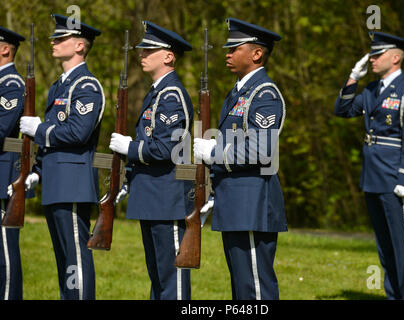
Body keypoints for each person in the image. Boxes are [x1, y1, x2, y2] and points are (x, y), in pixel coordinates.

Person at [194, 18, 287, 300]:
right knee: (241, 286)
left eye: (235, 47)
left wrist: (212, 153)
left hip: (252, 201)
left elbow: (261, 150)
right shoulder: (238, 92)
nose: (227, 53)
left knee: (255, 287)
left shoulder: (264, 93)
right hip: (234, 198)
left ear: (257, 54)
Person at [334, 31, 404, 300]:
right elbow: (343, 111)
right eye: (371, 54)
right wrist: (353, 78)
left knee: (403, 246)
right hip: (373, 177)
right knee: (385, 248)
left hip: (395, 177)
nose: (371, 59)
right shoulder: (373, 90)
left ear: (396, 57)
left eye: (378, 54)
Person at [19, 14, 104, 300]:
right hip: (56, 182)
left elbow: (77, 133)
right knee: (63, 257)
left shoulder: (87, 87)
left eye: (61, 38)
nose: (53, 42)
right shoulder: (59, 86)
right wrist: (38, 171)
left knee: (75, 255)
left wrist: (39, 129)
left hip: (72, 183)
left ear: (80, 45)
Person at [110, 21, 194, 300]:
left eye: (149, 50)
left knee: (172, 279)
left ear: (168, 56)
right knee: (157, 278)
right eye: (142, 50)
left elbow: (166, 149)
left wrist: (130, 148)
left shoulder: (172, 95)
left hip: (166, 197)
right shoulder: (158, 92)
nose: (141, 54)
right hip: (151, 194)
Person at [0, 26, 26, 300]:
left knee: (4, 256)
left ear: (5, 49)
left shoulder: (12, 84)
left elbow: (1, 127)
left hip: (3, 175)